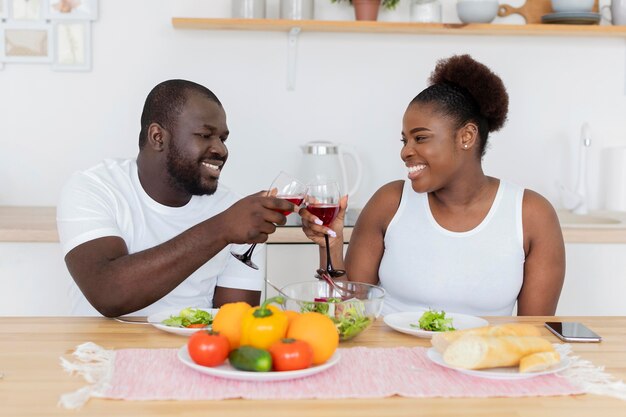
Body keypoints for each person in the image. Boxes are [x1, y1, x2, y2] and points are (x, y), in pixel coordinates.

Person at [300, 55, 565, 316]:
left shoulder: (531, 215)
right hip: (392, 357)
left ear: (466, 136)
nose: (406, 152)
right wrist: (330, 245)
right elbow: (347, 314)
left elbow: (534, 333)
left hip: (481, 359)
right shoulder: (389, 203)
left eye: (421, 138)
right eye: (405, 140)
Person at [57, 79, 297, 317]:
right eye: (205, 135)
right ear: (158, 137)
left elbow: (233, 322)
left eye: (223, 139)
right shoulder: (94, 188)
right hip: (99, 353)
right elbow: (107, 294)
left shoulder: (233, 209)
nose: (221, 150)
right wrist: (222, 228)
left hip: (190, 352)